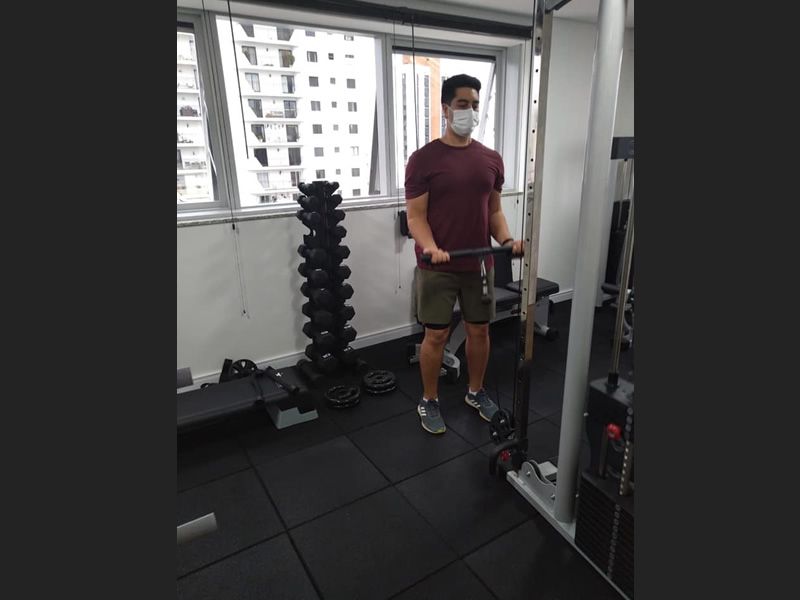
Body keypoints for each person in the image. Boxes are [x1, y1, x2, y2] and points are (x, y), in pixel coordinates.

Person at [405, 73, 524, 435]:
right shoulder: (423, 160)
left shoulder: (491, 159)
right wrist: (431, 247)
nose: (469, 111)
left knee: (480, 331)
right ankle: (429, 399)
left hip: (480, 266)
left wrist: (507, 240)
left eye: (474, 105)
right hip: (437, 267)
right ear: (445, 108)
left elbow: (494, 211)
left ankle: (475, 392)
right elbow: (416, 217)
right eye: (462, 104)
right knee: (436, 336)